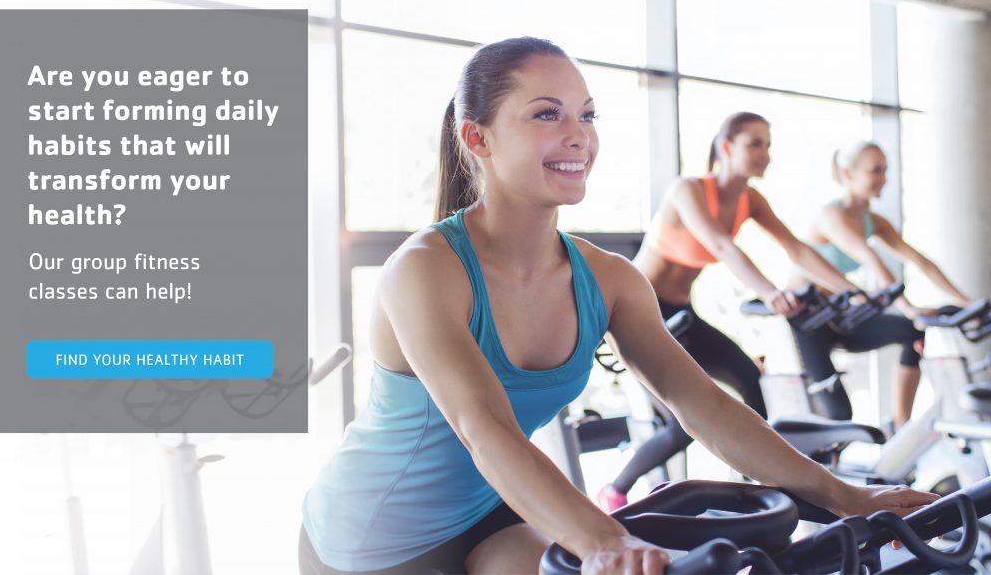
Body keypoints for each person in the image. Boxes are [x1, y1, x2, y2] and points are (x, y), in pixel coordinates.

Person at [300, 38, 936, 575]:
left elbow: (705, 405)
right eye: (547, 115)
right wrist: (605, 539)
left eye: (588, 115)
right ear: (478, 138)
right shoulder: (426, 269)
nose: (579, 136)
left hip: (494, 508)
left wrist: (842, 493)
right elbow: (482, 427)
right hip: (372, 535)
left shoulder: (608, 279)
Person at [597, 111, 867, 511]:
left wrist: (852, 290)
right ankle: (614, 492)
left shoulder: (750, 200)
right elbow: (722, 246)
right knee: (684, 422)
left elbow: (795, 248)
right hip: (637, 313)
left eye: (768, 145)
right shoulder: (686, 190)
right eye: (754, 144)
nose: (765, 154)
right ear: (726, 147)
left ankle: (749, 492)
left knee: (750, 383)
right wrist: (769, 292)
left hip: (681, 313)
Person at [792, 140, 971, 427]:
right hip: (807, 321)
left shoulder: (873, 221)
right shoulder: (830, 216)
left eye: (885, 170)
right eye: (875, 171)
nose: (883, 179)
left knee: (910, 331)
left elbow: (920, 261)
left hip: (840, 317)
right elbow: (869, 258)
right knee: (839, 415)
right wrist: (908, 307)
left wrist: (965, 301)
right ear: (848, 174)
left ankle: (900, 425)